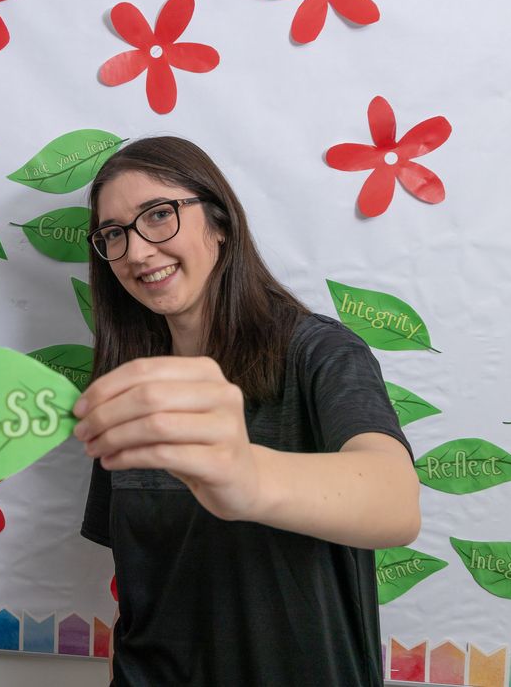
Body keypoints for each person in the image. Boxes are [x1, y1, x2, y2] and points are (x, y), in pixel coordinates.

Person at [74, 136, 420, 686]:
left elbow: (397, 502)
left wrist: (246, 475)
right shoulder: (129, 389)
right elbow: (142, 590)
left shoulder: (319, 353)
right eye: (113, 234)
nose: (136, 251)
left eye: (159, 215)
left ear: (220, 223)